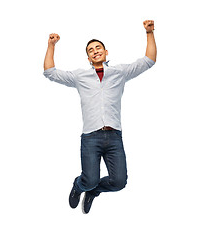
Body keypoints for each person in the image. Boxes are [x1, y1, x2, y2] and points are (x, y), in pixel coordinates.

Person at [43, 20, 157, 214]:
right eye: (90, 50)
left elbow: (149, 60)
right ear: (88, 57)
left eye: (98, 48)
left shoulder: (119, 72)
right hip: (91, 137)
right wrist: (51, 45)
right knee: (89, 179)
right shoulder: (80, 76)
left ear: (106, 52)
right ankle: (80, 186)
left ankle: (94, 192)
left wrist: (149, 33)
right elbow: (49, 72)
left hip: (114, 136)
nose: (95, 51)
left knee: (119, 182)